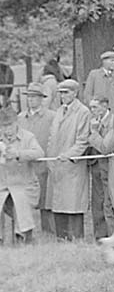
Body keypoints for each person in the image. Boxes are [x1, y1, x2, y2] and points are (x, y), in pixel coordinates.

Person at [47, 79, 90, 240]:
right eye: (61, 93)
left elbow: (83, 140)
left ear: (75, 93)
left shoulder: (83, 112)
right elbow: (52, 138)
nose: (63, 96)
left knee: (74, 204)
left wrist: (68, 155)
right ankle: (61, 239)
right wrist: (51, 159)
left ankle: (77, 238)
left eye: (66, 92)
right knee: (58, 203)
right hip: (57, 164)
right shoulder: (59, 111)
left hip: (73, 165)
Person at [0, 107, 44, 243]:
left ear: (16, 123)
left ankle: (24, 238)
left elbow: (39, 153)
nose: (7, 129)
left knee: (21, 201)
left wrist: (19, 154)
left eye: (10, 125)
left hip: (25, 184)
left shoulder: (27, 136)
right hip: (3, 185)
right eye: (3, 126)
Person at [18, 82, 56, 234]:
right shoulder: (21, 117)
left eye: (34, 97)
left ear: (42, 99)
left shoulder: (51, 117)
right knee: (23, 201)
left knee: (46, 201)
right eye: (29, 97)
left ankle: (49, 233)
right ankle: (24, 234)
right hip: (25, 165)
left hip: (44, 164)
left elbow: (54, 139)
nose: (31, 100)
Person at [86, 96, 114, 240]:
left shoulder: (113, 122)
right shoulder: (94, 121)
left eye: (95, 107)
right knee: (99, 201)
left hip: (113, 167)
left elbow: (105, 147)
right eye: (91, 108)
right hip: (97, 165)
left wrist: (94, 133)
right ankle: (101, 235)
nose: (92, 111)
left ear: (105, 106)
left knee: (110, 203)